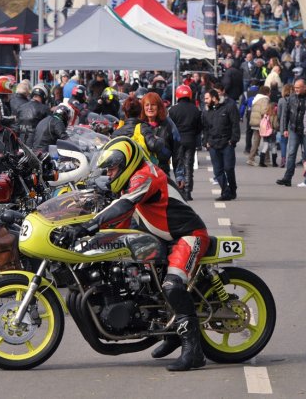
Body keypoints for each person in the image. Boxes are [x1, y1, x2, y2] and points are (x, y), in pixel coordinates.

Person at [62, 137, 209, 371]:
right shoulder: (131, 179)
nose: (109, 174)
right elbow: (116, 210)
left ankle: (194, 352)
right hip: (162, 237)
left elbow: (123, 205)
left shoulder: (145, 176)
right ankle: (171, 334)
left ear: (126, 163)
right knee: (147, 285)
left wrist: (88, 226)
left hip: (188, 235)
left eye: (112, 168)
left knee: (172, 285)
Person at [203, 88, 240, 200]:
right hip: (213, 144)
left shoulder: (228, 107)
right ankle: (225, 192)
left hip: (227, 143)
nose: (205, 101)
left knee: (229, 168)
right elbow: (205, 128)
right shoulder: (206, 112)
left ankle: (232, 189)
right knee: (218, 170)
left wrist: (233, 140)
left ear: (214, 98)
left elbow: (235, 124)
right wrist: (206, 142)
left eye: (207, 98)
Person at [141, 92, 183, 185]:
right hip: (141, 174)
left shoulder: (168, 124)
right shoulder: (138, 124)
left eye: (153, 105)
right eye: (147, 105)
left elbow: (177, 150)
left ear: (159, 107)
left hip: (162, 171)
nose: (150, 108)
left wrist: (179, 174)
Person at [168, 85, 202, 201]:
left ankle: (180, 189)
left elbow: (169, 127)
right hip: (190, 140)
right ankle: (188, 191)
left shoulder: (173, 110)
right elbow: (199, 128)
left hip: (177, 142)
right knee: (189, 165)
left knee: (179, 165)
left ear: (177, 95)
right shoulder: (195, 109)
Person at [276, 79, 306, 187]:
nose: (296, 89)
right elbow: (286, 115)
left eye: (298, 88)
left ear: (304, 87)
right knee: (291, 154)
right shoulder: (291, 98)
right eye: (295, 87)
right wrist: (285, 129)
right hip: (294, 129)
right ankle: (287, 178)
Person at [246, 85, 271, 166]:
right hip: (262, 123)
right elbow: (264, 111)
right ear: (267, 93)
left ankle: (252, 158)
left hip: (255, 122)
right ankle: (266, 159)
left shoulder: (256, 99)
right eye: (269, 92)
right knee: (266, 140)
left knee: (256, 141)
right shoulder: (265, 99)